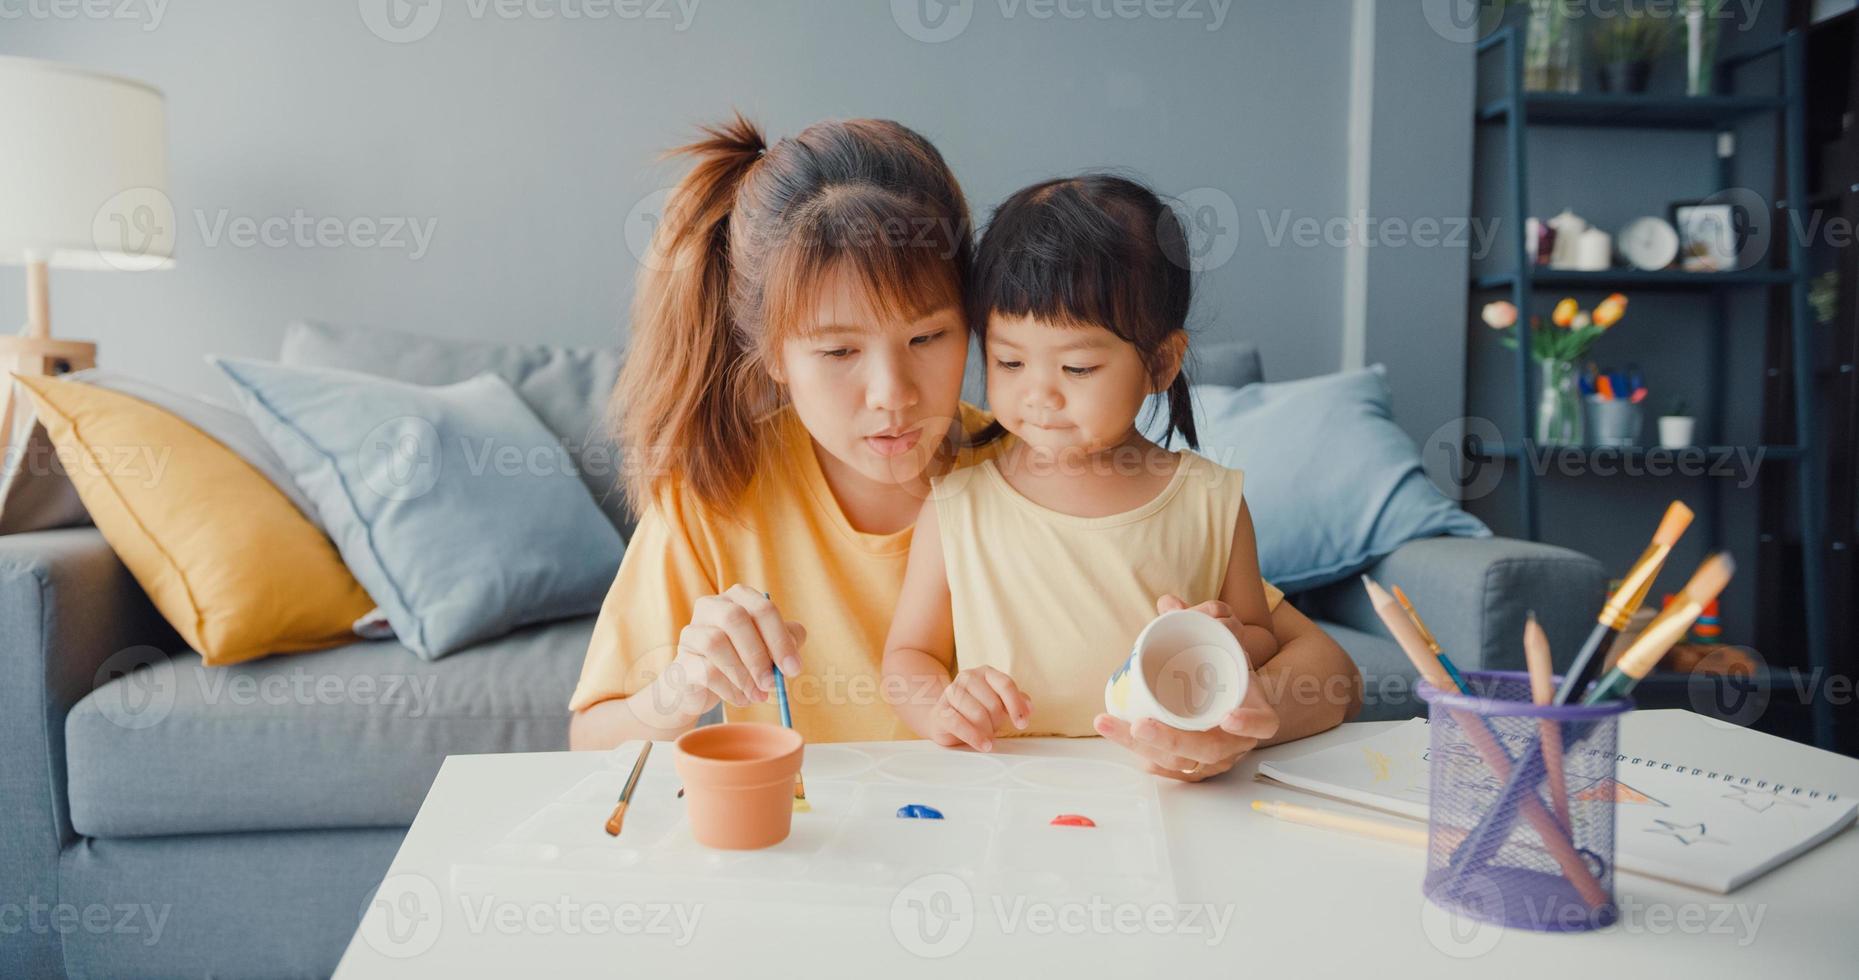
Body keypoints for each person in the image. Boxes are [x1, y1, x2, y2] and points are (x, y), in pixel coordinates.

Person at [570, 117, 1360, 781]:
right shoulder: (717, 493)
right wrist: (676, 692)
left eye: (927, 336)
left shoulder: (1034, 461)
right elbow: (588, 741)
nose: (892, 393)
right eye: (838, 353)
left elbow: (1328, 674)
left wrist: (1231, 723)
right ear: (773, 354)